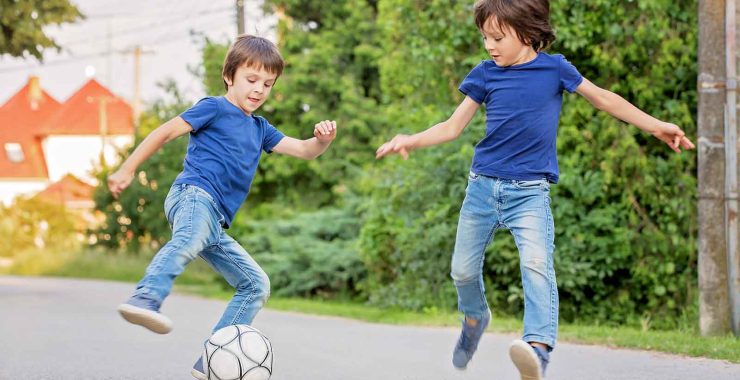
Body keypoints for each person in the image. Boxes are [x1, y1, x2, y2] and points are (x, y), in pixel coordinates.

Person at [375, 1, 694, 379]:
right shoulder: (484, 75)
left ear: (527, 32)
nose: (489, 45)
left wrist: (656, 125)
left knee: (537, 264)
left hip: (529, 192)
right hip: (482, 188)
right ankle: (475, 318)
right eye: (484, 37)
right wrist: (411, 139)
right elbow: (451, 127)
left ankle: (538, 349)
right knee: (461, 271)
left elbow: (604, 99)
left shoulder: (555, 69)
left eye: (497, 37)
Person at [107, 35, 337, 379]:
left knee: (256, 284)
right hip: (193, 195)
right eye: (251, 79)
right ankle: (146, 297)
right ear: (230, 76)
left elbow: (304, 150)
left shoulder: (261, 129)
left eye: (268, 84)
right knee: (190, 236)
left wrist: (322, 140)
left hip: (216, 221)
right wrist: (127, 168)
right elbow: (164, 133)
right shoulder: (214, 107)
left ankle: (212, 359)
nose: (259, 89)